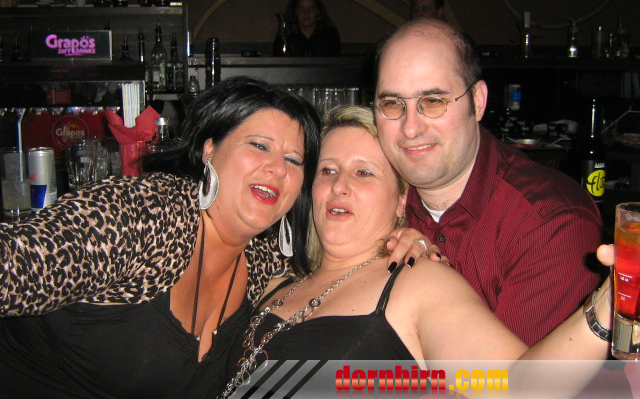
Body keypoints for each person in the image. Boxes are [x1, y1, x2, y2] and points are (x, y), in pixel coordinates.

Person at [220, 105, 612, 399]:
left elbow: (518, 386)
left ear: (400, 199)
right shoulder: (275, 277)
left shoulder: (417, 281)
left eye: (364, 172)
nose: (339, 185)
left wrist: (607, 309)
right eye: (328, 170)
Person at [0, 78, 322, 398]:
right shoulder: (145, 212)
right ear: (210, 149)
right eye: (259, 145)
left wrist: (353, 386)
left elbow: (316, 372)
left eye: (293, 159)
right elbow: (13, 264)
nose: (279, 169)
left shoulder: (263, 260)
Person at [374, 18, 604, 346]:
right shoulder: (371, 199)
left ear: (478, 101)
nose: (410, 128)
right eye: (392, 104)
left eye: (433, 101)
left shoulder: (551, 224)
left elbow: (513, 377)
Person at [277, 0, 341, 57]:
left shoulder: (330, 36)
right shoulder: (287, 37)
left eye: (311, 9)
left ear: (318, 12)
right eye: (301, 9)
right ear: (295, 12)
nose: (306, 13)